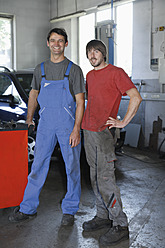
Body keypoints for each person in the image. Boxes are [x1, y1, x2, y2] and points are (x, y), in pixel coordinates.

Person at [9, 28, 85, 226]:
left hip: (67, 124)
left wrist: (77, 128)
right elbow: (33, 94)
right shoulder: (40, 69)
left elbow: (80, 101)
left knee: (72, 166)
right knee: (37, 166)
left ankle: (70, 209)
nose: (56, 44)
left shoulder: (73, 70)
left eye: (60, 41)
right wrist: (29, 118)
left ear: (66, 44)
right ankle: (28, 208)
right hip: (46, 124)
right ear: (48, 43)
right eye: (53, 40)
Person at [81, 40, 142, 246]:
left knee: (105, 179)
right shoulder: (89, 75)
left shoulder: (117, 72)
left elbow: (136, 97)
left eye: (96, 51)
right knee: (94, 177)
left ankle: (120, 224)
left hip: (104, 134)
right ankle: (102, 216)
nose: (92, 55)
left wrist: (122, 122)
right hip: (88, 131)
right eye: (89, 52)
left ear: (103, 54)